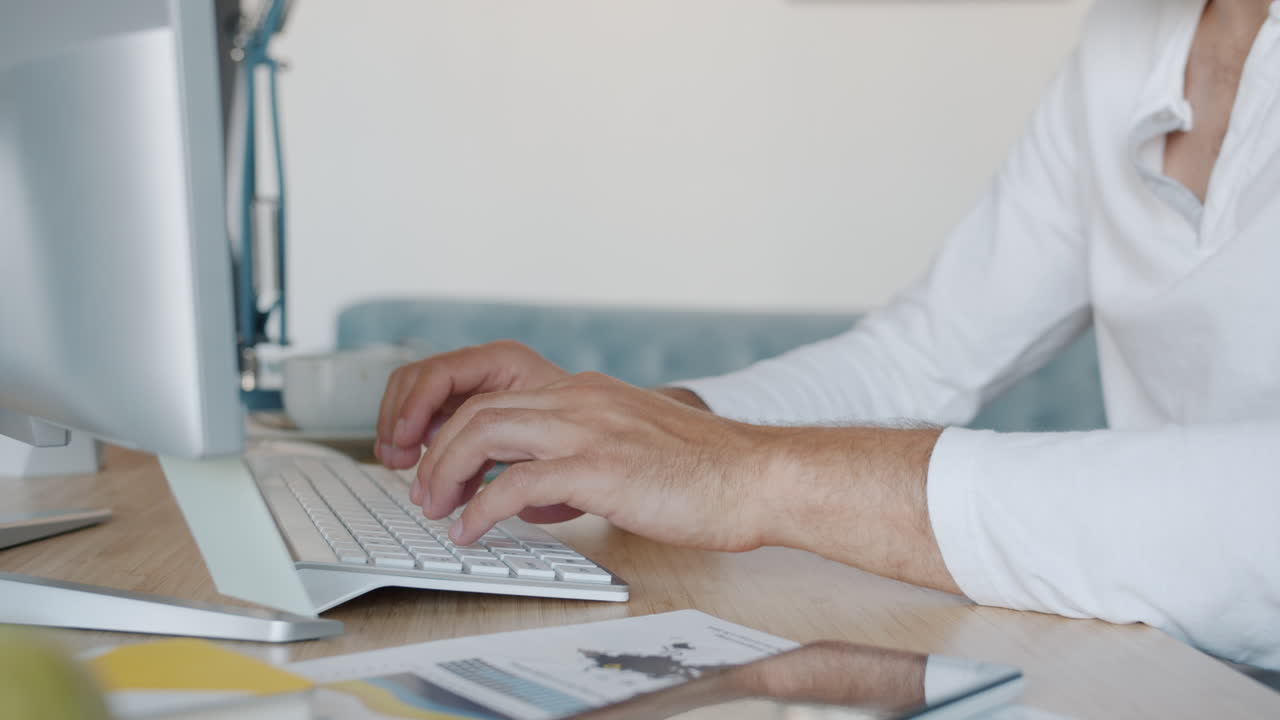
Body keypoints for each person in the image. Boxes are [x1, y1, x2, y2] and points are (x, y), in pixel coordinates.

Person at [374, 0, 1280, 671]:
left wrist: (755, 476)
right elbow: (922, 355)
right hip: (1172, 669)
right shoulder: (1130, 41)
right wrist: (648, 432)